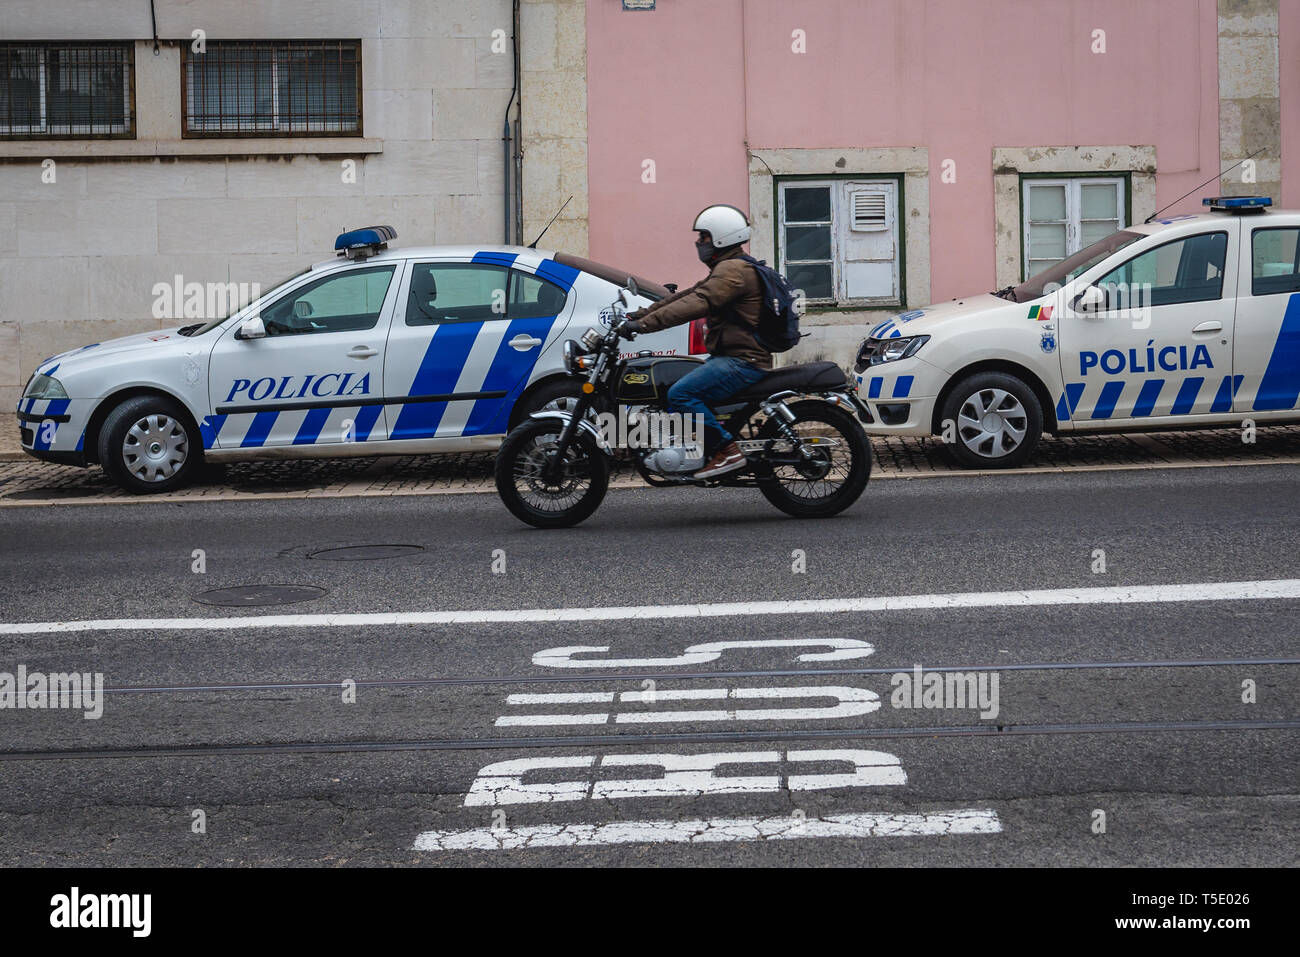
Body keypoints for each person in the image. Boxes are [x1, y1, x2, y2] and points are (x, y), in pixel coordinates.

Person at [620, 204, 770, 479]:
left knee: (681, 394)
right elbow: (685, 295)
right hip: (731, 357)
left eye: (704, 237)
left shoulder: (733, 272)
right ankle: (699, 449)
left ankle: (727, 451)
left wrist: (642, 326)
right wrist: (637, 315)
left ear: (721, 237)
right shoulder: (728, 268)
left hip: (742, 361)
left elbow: (696, 303)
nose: (698, 243)